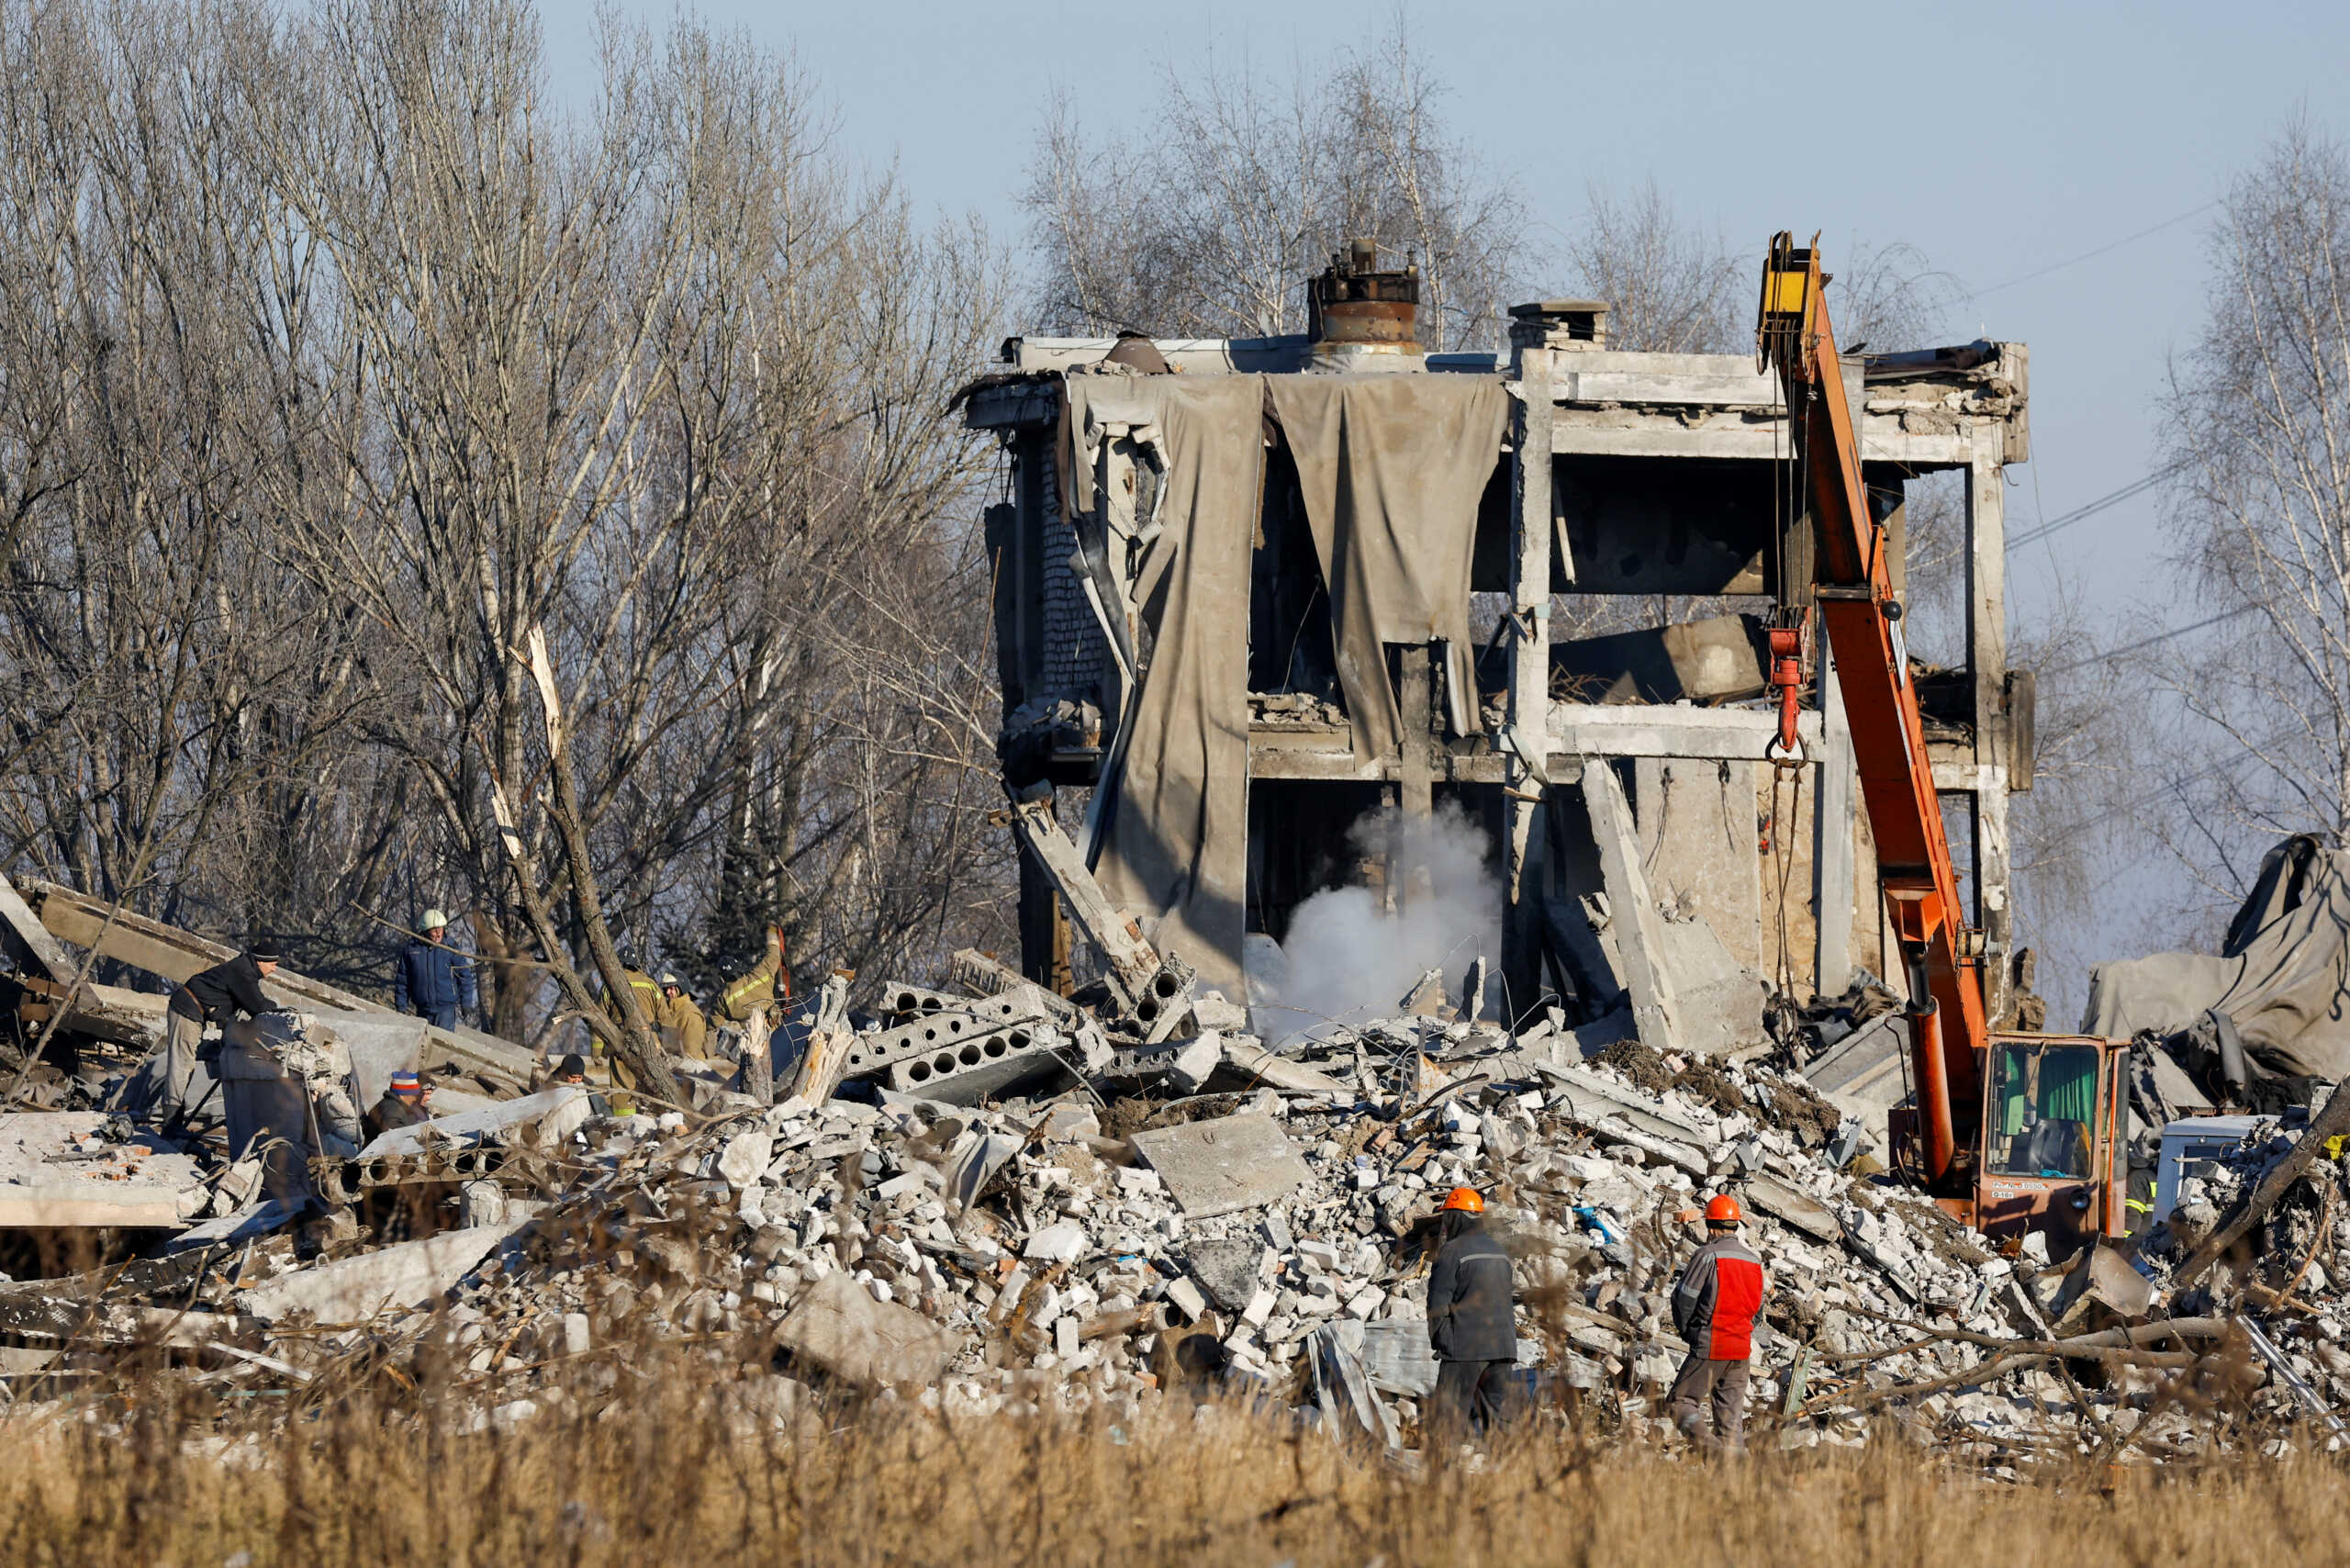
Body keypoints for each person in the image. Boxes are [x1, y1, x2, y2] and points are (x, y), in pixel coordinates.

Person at [124, 936, 283, 1122]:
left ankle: (174, 1118)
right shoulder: (243, 972)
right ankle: (171, 1123)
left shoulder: (244, 969)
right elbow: (257, 1005)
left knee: (186, 1061)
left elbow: (231, 1004)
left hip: (193, 1009)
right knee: (182, 1065)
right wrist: (279, 1009)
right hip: (187, 1010)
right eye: (272, 964)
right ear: (260, 961)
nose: (274, 968)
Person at [1669, 1193, 1769, 1455]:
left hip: (1712, 1345)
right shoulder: (1754, 1262)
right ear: (1735, 1225)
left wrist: (1689, 1331)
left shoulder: (1707, 1256)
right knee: (1730, 1424)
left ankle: (1714, 1455)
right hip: (1741, 1351)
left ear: (1710, 1227)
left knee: (1680, 1403)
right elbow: (1757, 1311)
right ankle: (1740, 1482)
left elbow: (1683, 1299)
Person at [1425, 1185, 1518, 1438]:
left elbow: (1437, 1303)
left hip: (1465, 1349)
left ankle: (1444, 1474)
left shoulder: (1452, 1251)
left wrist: (1443, 1341)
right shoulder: (1500, 1252)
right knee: (1499, 1425)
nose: (1445, 1224)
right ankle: (1505, 1474)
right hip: (1503, 1349)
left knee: (1448, 1420)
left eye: (1447, 1217)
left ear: (1455, 1217)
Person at [393, 909, 476, 1031]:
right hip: (423, 1010)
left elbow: (465, 976)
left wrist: (466, 1003)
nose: (438, 933)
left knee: (443, 1044)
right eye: (434, 930)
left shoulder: (450, 948)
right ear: (425, 931)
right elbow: (403, 979)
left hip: (445, 1010)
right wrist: (401, 1005)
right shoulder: (412, 949)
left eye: (440, 929)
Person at [655, 972, 710, 1061]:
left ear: (681, 988)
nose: (668, 992)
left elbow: (691, 1055)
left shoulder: (691, 1015)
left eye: (671, 988)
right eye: (666, 989)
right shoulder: (670, 1012)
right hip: (670, 1063)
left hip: (687, 1069)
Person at [367, 1070, 434, 1137]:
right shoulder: (392, 1113)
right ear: (402, 1095)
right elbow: (398, 1142)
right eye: (413, 1095)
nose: (415, 1099)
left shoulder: (399, 1108)